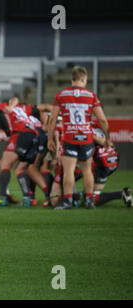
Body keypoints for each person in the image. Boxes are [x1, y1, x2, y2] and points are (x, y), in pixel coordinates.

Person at [48, 65, 111, 210]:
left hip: (69, 137)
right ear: (83, 78)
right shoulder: (91, 95)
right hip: (86, 138)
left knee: (68, 170)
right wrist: (107, 138)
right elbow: (102, 119)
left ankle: (68, 201)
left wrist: (50, 139)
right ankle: (89, 201)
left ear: (72, 79)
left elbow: (52, 119)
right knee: (87, 170)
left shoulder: (61, 95)